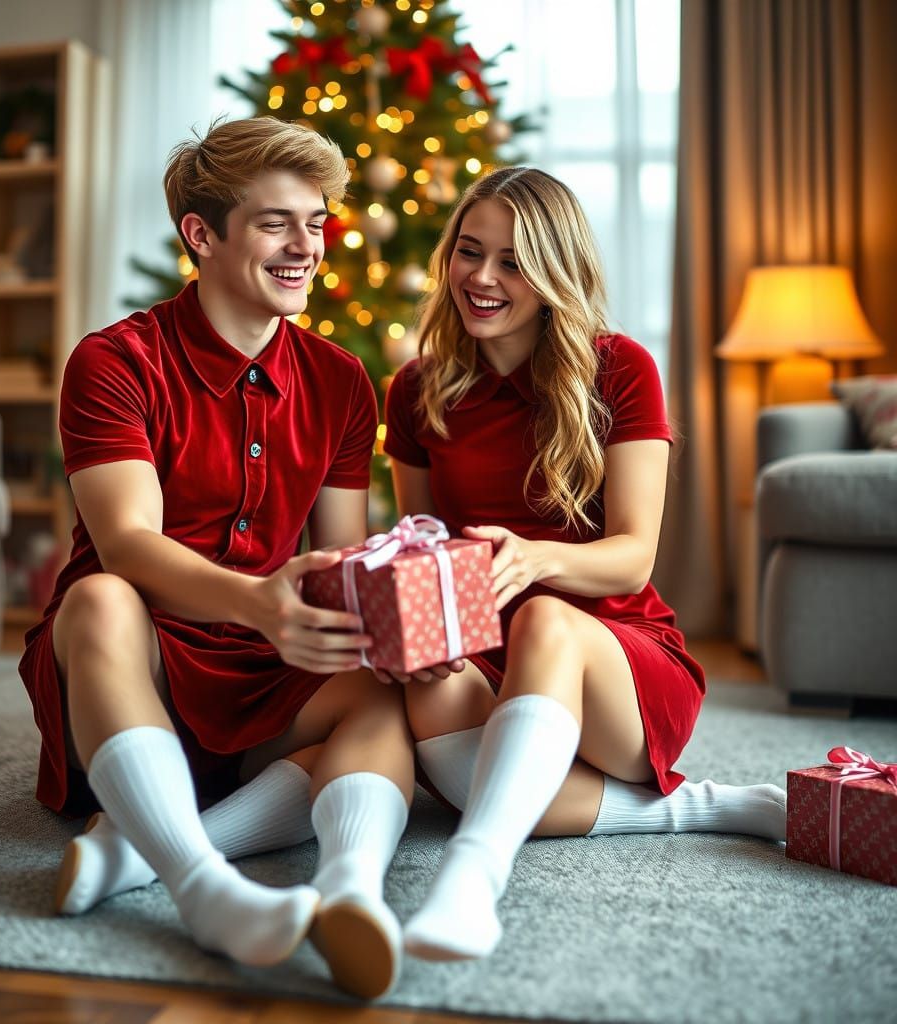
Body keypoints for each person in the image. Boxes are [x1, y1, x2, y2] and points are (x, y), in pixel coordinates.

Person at [19, 117, 411, 1000]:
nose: (306, 247)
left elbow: (338, 558)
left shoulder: (343, 380)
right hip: (135, 663)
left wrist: (394, 621)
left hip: (258, 664)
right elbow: (128, 544)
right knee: (99, 598)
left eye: (315, 222)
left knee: (383, 696)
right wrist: (261, 603)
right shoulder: (114, 361)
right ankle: (202, 888)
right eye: (278, 222)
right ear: (202, 234)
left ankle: (348, 890)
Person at [382, 167, 786, 963]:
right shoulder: (417, 389)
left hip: (618, 665)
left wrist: (535, 560)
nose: (484, 278)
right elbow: (420, 542)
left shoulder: (619, 368)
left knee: (543, 618)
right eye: (470, 252)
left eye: (514, 260)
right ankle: (696, 808)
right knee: (424, 678)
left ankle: (473, 874)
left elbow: (632, 560)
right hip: (489, 656)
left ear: (554, 271)